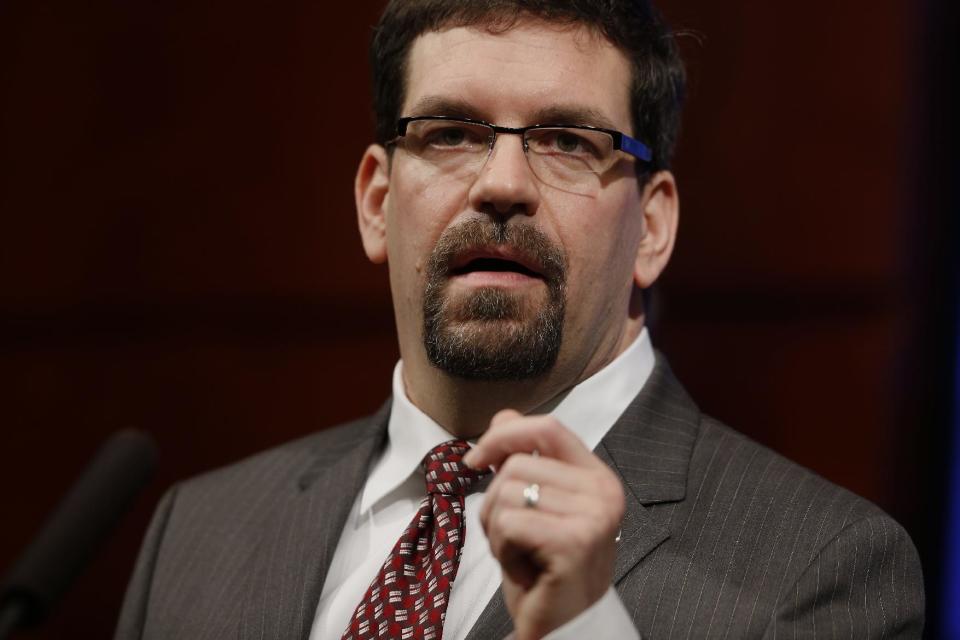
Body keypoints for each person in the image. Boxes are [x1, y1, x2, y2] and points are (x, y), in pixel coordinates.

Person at [114, 1, 925, 638]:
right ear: (376, 203)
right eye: (452, 132)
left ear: (651, 227)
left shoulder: (820, 568)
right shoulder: (200, 535)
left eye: (568, 140)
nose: (502, 183)